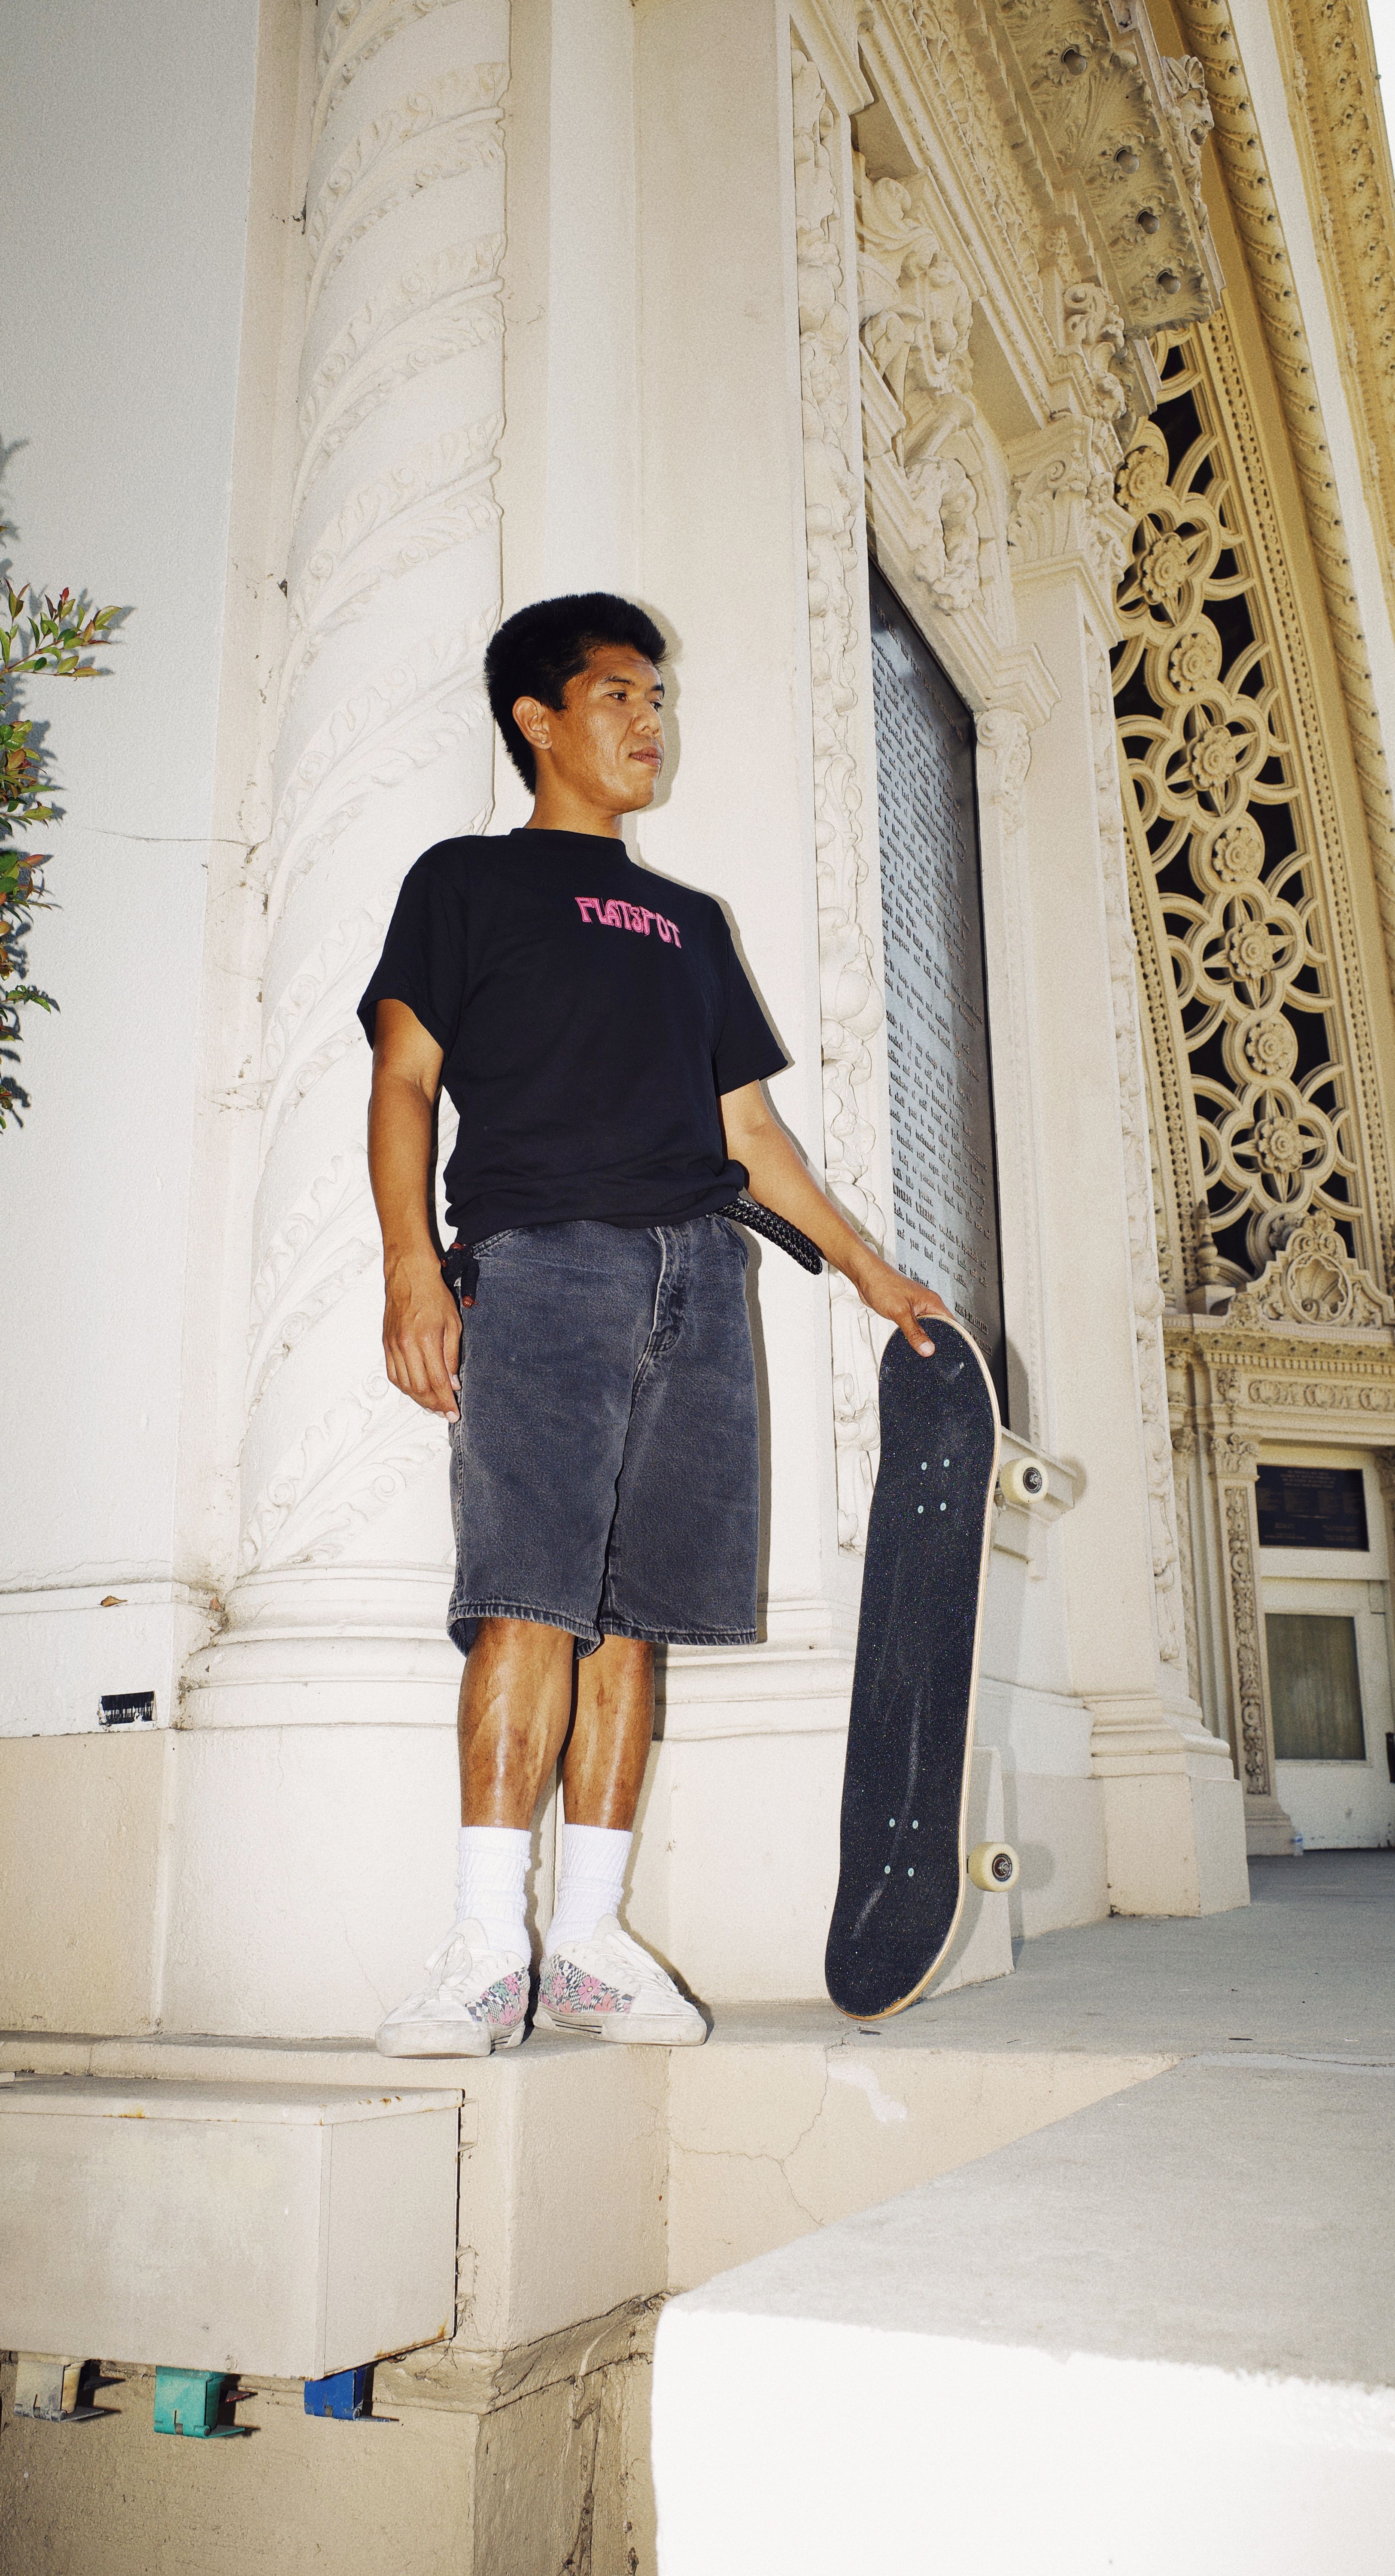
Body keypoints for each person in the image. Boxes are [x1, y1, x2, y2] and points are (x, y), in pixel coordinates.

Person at [359, 592, 950, 2056]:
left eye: (658, 695)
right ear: (538, 721)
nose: (647, 720)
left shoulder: (691, 923)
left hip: (704, 1275)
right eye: (617, 695)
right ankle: (484, 1950)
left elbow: (750, 1128)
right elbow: (402, 1086)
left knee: (636, 1628)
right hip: (543, 1265)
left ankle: (592, 1944)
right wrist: (410, 1271)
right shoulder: (465, 883)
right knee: (527, 1601)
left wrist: (875, 1275)